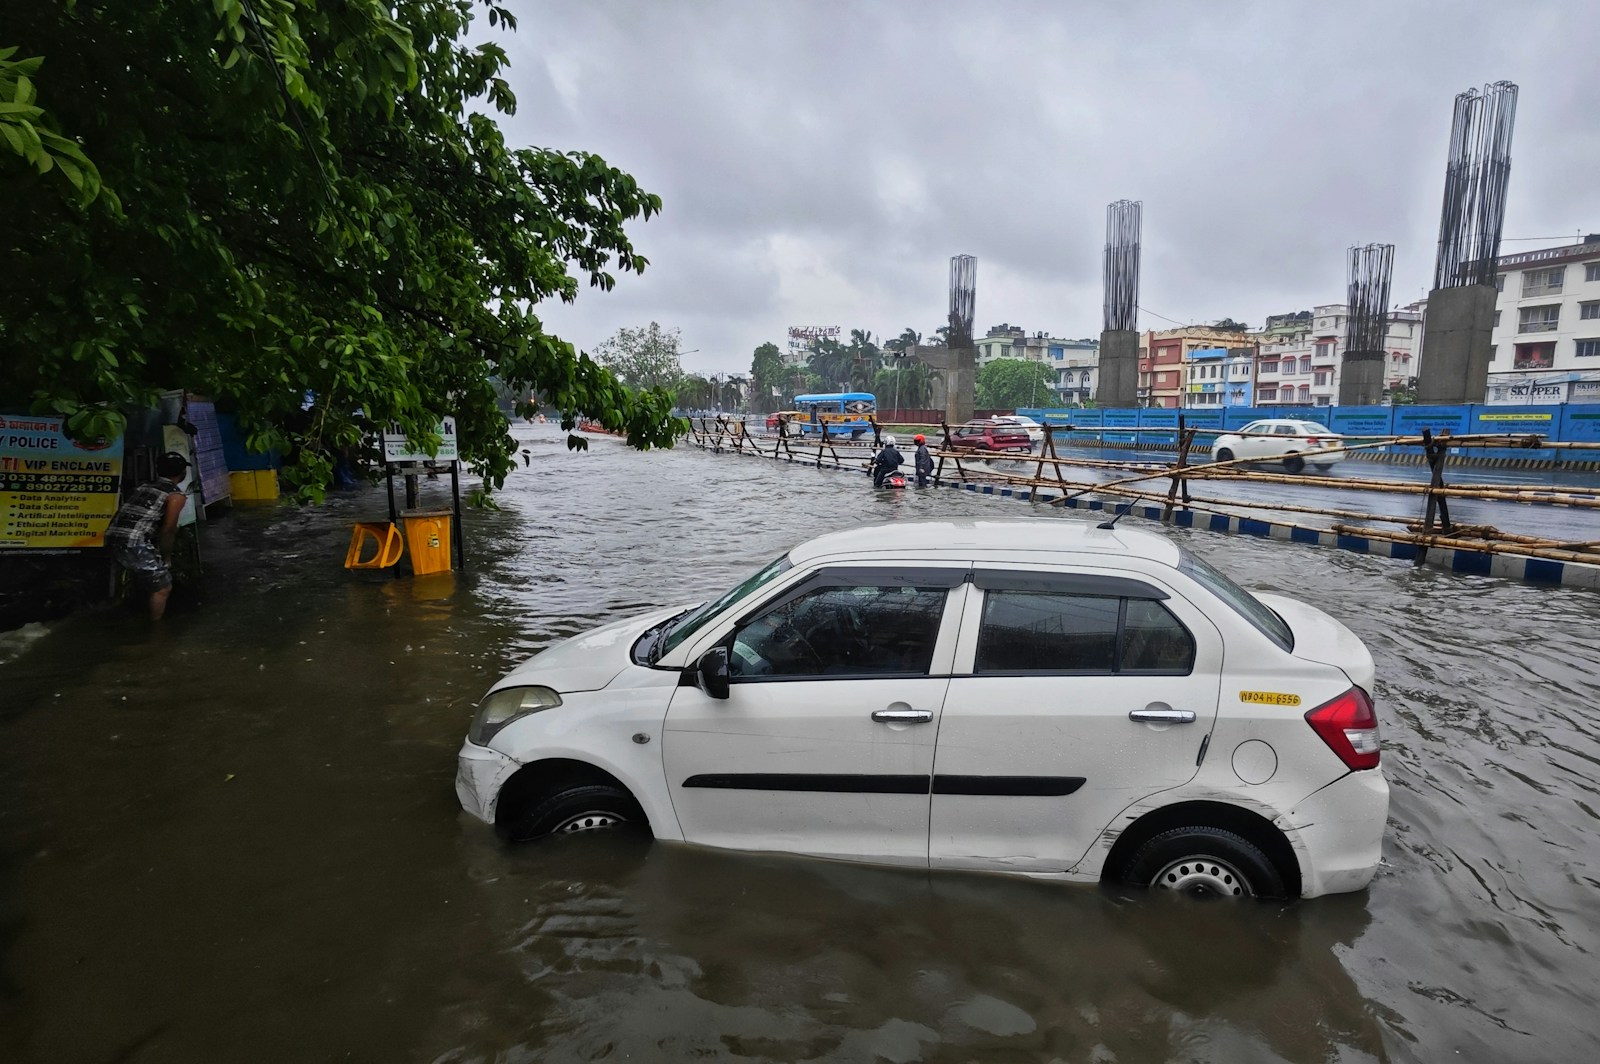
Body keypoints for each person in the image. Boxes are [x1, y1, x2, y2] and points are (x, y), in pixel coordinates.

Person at [104, 451, 189, 620]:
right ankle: (156, 633)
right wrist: (166, 558)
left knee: (141, 579)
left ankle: (128, 616)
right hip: (132, 542)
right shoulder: (175, 496)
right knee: (162, 587)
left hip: (112, 536)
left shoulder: (143, 486)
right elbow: (168, 529)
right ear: (182, 473)